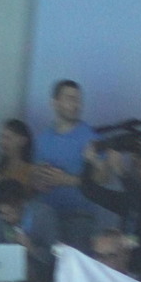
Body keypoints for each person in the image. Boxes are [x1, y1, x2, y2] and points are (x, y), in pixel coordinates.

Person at [31, 79, 103, 249]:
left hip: (78, 218)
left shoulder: (91, 138)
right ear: (54, 103)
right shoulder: (42, 138)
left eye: (78, 99)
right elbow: (35, 174)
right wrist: (38, 181)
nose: (76, 104)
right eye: (70, 98)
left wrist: (66, 179)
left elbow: (101, 179)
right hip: (46, 214)